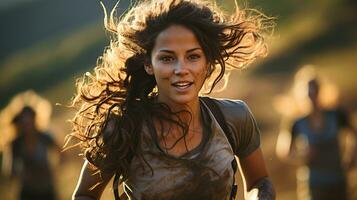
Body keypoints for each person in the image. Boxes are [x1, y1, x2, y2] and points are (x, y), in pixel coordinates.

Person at [69, 0, 275, 199]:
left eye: (193, 57)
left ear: (208, 62)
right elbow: (85, 195)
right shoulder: (123, 129)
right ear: (149, 64)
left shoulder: (233, 118)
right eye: (167, 58)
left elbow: (260, 181)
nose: (181, 70)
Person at [276, 77, 357, 200]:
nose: (312, 97)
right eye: (309, 92)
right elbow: (284, 152)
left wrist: (351, 155)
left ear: (322, 92)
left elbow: (354, 133)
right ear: (302, 95)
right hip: (314, 185)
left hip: (338, 181)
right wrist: (302, 155)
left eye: (315, 91)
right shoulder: (297, 123)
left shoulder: (336, 115)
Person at [3, 106, 62, 200]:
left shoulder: (44, 137)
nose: (28, 125)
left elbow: (62, 152)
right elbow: (11, 173)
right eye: (24, 122)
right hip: (27, 192)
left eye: (29, 120)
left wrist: (54, 169)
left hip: (47, 189)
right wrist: (24, 175)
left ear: (35, 119)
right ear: (19, 123)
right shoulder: (16, 144)